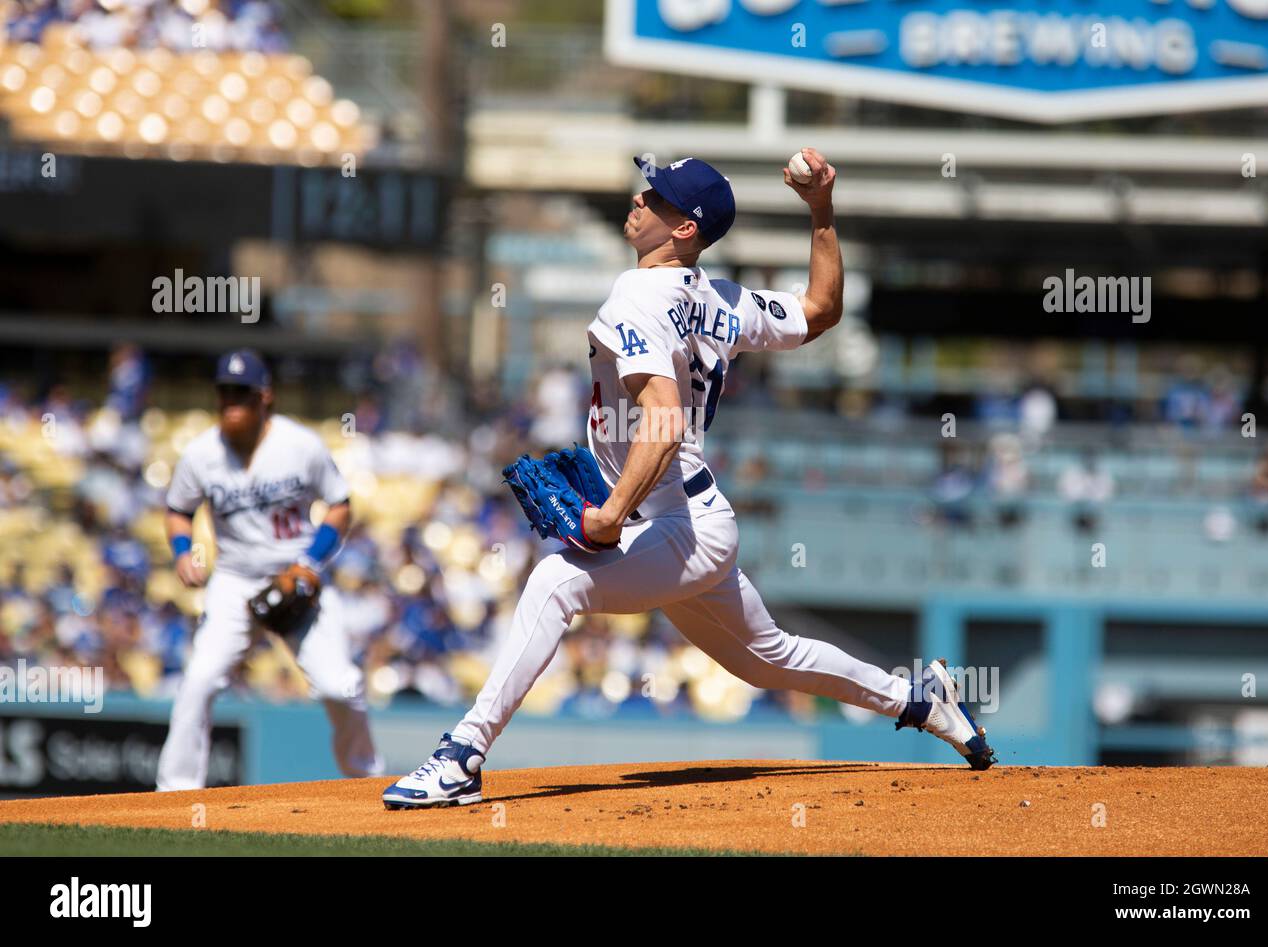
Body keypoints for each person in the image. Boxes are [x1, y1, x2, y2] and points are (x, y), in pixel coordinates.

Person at [382, 150, 994, 809]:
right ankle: (920, 700)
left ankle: (462, 756)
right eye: (647, 191)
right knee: (768, 659)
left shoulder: (637, 294)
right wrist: (820, 212)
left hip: (678, 522)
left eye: (657, 198)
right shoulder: (722, 298)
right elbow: (820, 309)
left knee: (555, 581)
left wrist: (612, 513)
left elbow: (665, 422)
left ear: (683, 231)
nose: (640, 201)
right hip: (690, 517)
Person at [156, 349, 383, 790]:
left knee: (340, 685)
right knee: (199, 681)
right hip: (235, 580)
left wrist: (310, 563)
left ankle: (367, 781)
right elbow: (177, 510)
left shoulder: (300, 445)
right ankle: (176, 794)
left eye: (241, 393)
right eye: (225, 392)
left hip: (299, 578)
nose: (231, 401)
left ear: (265, 398)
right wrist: (183, 551)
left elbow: (340, 505)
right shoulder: (201, 454)